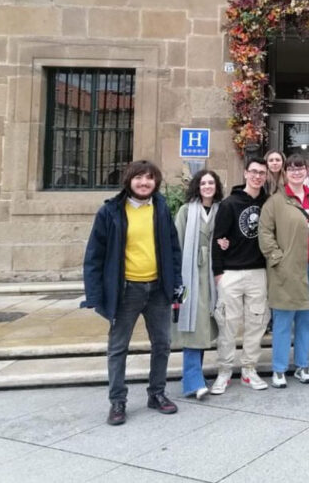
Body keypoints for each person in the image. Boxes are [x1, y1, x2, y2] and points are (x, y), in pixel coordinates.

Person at [82, 160, 182, 426]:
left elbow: (173, 249)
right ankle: (118, 401)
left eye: (149, 178)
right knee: (118, 347)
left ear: (156, 182)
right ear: (129, 180)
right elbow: (94, 256)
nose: (144, 182)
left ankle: (157, 393)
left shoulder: (160, 208)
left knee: (162, 344)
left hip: (158, 289)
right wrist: (94, 294)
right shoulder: (111, 211)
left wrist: (176, 284)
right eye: (139, 177)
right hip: (126, 290)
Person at [259, 154, 309, 387]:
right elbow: (265, 233)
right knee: (282, 321)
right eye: (292, 169)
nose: (297, 172)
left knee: (307, 321)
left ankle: (303, 365)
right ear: (285, 172)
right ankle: (279, 369)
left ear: (307, 172)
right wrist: (277, 258)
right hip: (286, 270)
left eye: (300, 168)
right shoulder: (275, 202)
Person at [209, 156, 270, 395]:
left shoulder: (268, 203)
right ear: (245, 173)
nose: (257, 176)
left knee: (256, 324)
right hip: (231, 273)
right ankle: (224, 371)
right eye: (253, 172)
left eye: (261, 173)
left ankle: (249, 369)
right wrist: (218, 274)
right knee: (227, 324)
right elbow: (218, 239)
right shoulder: (229, 204)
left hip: (258, 272)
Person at [172, 169, 224, 400]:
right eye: (203, 183)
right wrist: (178, 278)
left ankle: (193, 378)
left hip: (212, 276)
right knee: (192, 326)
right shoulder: (186, 211)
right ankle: (194, 381)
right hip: (190, 274)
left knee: (203, 327)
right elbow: (178, 243)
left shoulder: (220, 210)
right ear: (197, 186)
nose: (207, 186)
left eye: (211, 183)